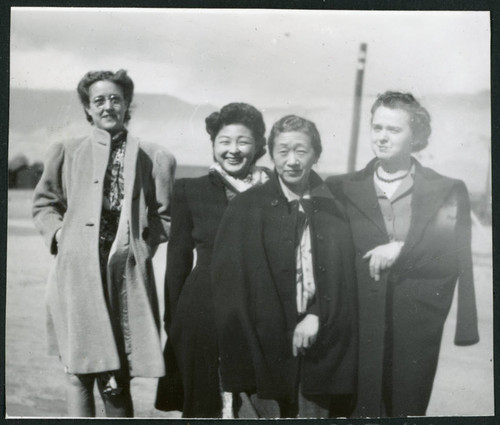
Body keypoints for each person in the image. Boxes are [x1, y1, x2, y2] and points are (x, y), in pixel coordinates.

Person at [32, 69, 176, 417]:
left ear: (127, 104)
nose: (108, 106)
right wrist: (60, 234)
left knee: (116, 378)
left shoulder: (151, 156)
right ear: (87, 108)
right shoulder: (67, 151)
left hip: (122, 277)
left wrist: (140, 247)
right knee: (78, 373)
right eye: (99, 100)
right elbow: (44, 204)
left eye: (115, 98)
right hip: (76, 275)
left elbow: (164, 215)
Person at [326, 91, 480, 417]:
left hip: (416, 324)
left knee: (405, 410)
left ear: (416, 136)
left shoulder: (447, 190)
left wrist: (402, 248)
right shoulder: (341, 188)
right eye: (377, 127)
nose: (382, 137)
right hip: (357, 321)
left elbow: (455, 256)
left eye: (393, 130)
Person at [211, 115, 357, 418]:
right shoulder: (246, 207)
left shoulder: (335, 210)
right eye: (283, 151)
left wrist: (318, 315)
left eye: (301, 151)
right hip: (262, 350)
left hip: (320, 346)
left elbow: (344, 280)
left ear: (316, 154)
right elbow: (230, 290)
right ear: (271, 153)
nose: (291, 161)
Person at [155, 103, 270, 418]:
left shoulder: (275, 190)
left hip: (259, 313)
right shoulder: (190, 189)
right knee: (205, 403)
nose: (233, 150)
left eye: (243, 142)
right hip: (201, 312)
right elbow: (177, 260)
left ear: (259, 145)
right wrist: (173, 320)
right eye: (224, 142)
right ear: (213, 145)